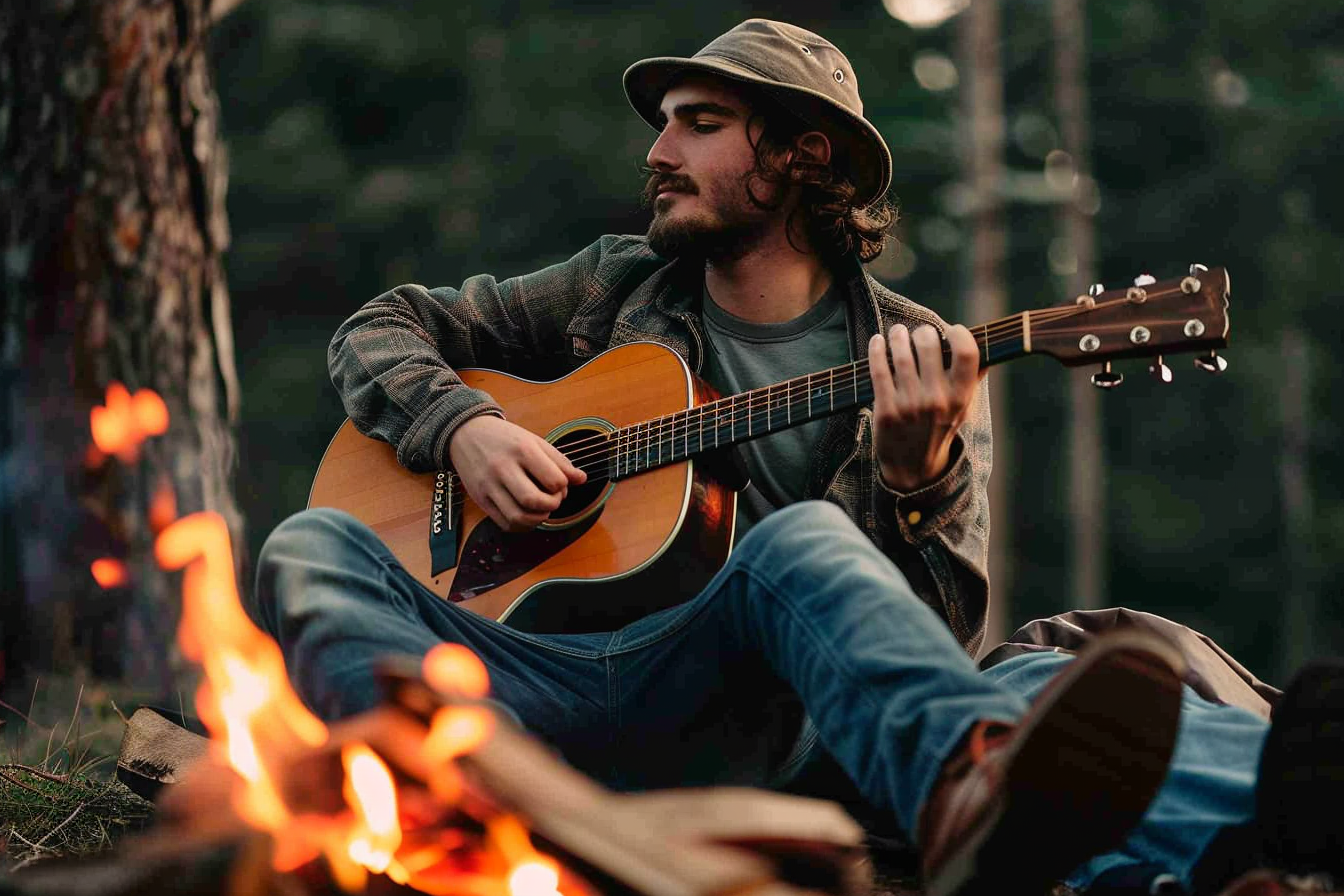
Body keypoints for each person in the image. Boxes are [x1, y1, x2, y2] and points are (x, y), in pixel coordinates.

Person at [250, 19, 1341, 896]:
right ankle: (420, 789)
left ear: (797, 155)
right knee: (310, 547)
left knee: (814, 553)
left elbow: (930, 649)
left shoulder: (923, 359)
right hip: (520, 693)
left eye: (698, 124)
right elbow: (379, 327)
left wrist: (922, 478)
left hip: (751, 719)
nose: (657, 152)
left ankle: (1223, 805)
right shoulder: (612, 287)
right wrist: (466, 428)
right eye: (664, 126)